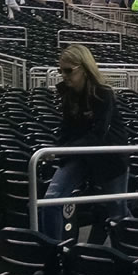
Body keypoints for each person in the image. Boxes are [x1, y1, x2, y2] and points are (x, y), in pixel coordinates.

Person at [40, 45, 130, 235]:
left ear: (84, 68)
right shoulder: (68, 93)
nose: (63, 75)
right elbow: (66, 128)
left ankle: (131, 249)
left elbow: (98, 135)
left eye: (68, 70)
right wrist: (56, 149)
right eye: (60, 70)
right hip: (79, 155)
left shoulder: (103, 93)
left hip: (109, 158)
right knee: (51, 200)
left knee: (117, 212)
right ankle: (54, 254)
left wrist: (65, 149)